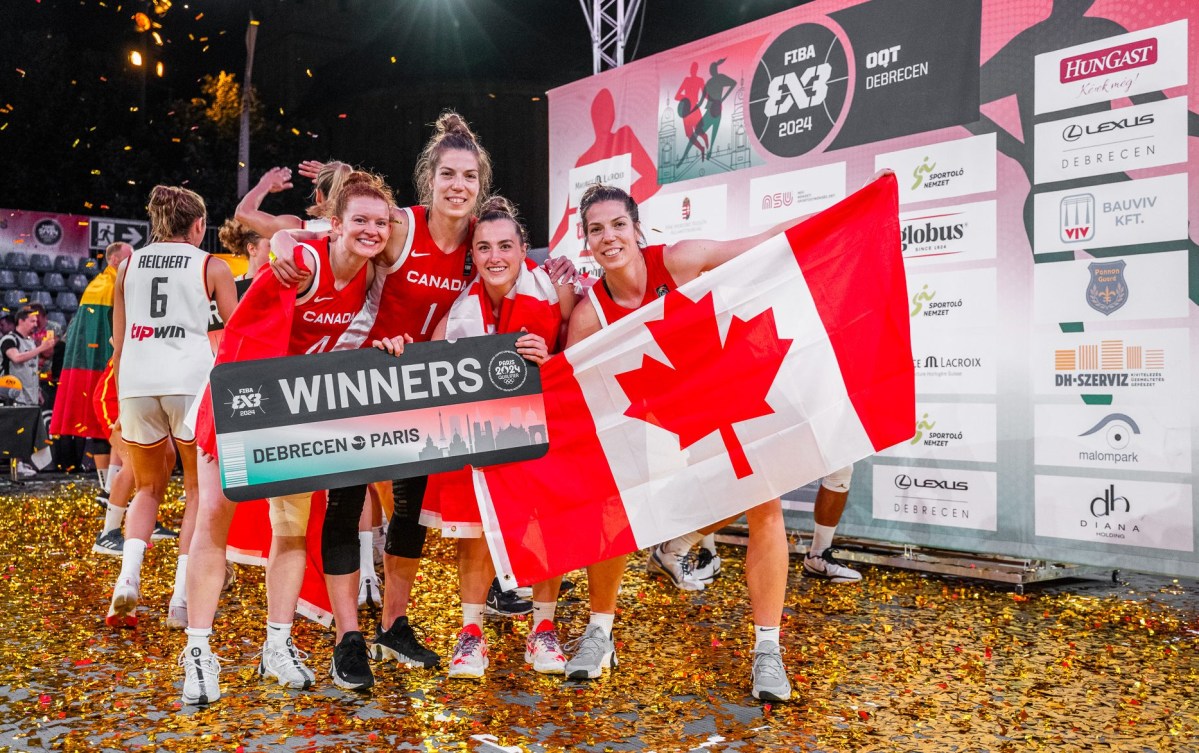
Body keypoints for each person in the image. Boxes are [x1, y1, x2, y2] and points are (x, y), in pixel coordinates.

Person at [273, 113, 575, 676]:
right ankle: (348, 638)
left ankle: (392, 626)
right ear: (428, 180)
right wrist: (287, 236)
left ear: (479, 184)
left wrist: (558, 270)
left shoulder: (477, 244)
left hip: (422, 388)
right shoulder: (401, 228)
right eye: (447, 175)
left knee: (409, 513)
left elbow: (517, 270)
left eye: (468, 176)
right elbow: (332, 230)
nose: (457, 185)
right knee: (346, 505)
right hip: (364, 378)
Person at [559, 183, 800, 702]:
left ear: (637, 229)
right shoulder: (589, 315)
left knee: (766, 504)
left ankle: (767, 650)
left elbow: (767, 244)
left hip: (724, 397)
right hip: (659, 423)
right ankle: (599, 631)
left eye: (618, 225)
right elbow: (568, 394)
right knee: (610, 500)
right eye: (596, 230)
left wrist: (850, 212)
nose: (609, 237)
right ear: (586, 241)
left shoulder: (681, 259)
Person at [179, 171, 394, 705]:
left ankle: (278, 643)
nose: (371, 231)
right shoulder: (302, 262)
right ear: (335, 224)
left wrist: (387, 342)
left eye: (380, 222)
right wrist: (280, 239)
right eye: (359, 221)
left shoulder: (372, 281)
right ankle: (199, 651)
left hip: (296, 412)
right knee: (214, 519)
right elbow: (249, 328)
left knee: (291, 530)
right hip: (242, 399)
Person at [376, 197, 573, 679]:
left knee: (546, 526)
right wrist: (398, 348)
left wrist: (551, 359)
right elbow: (427, 364)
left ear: (525, 249)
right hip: (481, 433)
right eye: (483, 247)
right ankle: (471, 634)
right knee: (476, 530)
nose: (494, 256)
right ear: (474, 255)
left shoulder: (556, 289)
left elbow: (579, 351)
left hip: (544, 425)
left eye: (505, 245)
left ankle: (543, 630)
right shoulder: (459, 309)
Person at [106, 185, 236, 631]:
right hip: (190, 381)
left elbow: (119, 343)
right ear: (199, 225)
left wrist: (123, 402)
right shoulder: (212, 264)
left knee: (146, 489)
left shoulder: (126, 266)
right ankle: (182, 598)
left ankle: (127, 580)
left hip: (137, 382)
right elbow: (236, 338)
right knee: (198, 492)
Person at [51, 241, 133, 501]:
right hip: (104, 366)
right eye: (129, 258)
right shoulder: (107, 287)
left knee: (107, 427)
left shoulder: (104, 285)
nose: (134, 263)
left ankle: (108, 488)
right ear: (114, 261)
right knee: (110, 425)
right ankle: (108, 488)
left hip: (102, 364)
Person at [1, 305, 57, 478]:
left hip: (30, 393)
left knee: (25, 431)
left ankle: (22, 463)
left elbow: (32, 368)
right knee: (16, 430)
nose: (35, 324)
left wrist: (38, 390)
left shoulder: (31, 342)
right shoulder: (9, 340)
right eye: (32, 321)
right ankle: (15, 465)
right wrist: (41, 349)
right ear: (21, 321)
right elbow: (16, 358)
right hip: (12, 393)